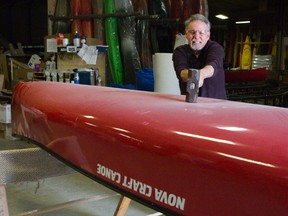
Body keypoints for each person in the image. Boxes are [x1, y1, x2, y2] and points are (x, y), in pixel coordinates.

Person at [172, 13, 227, 99]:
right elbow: (181, 72)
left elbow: (213, 65)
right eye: (192, 32)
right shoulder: (179, 51)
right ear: (186, 35)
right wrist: (195, 76)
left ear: (208, 36)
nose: (196, 36)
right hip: (188, 104)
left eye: (201, 33)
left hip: (215, 104)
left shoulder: (216, 48)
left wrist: (201, 75)